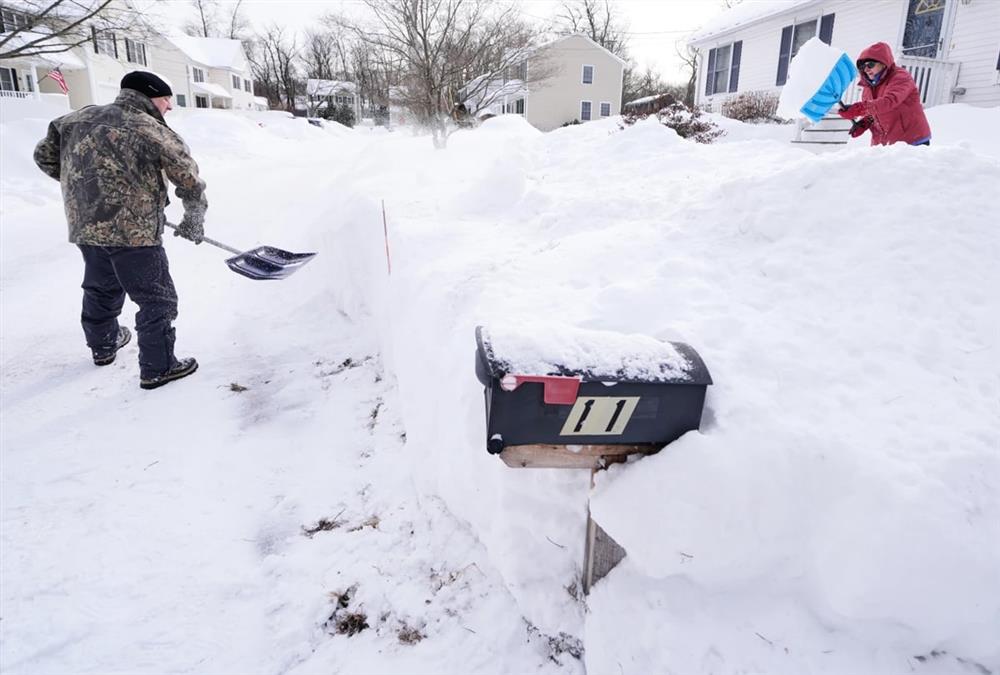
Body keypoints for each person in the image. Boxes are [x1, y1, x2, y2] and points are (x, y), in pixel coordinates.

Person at [34, 71, 208, 390]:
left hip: (86, 224)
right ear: (149, 96)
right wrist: (194, 217)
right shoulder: (150, 127)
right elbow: (187, 177)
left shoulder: (73, 119)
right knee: (156, 298)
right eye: (166, 98)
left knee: (102, 286)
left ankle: (103, 345)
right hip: (134, 232)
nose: (169, 105)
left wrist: (85, 189)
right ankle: (159, 366)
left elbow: (43, 157)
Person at [838, 42, 931, 146]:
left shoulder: (900, 77)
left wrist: (859, 109)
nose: (866, 69)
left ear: (883, 63)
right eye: (863, 67)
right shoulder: (868, 87)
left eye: (870, 65)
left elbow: (889, 102)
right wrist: (865, 123)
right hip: (886, 144)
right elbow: (875, 111)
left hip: (912, 141)